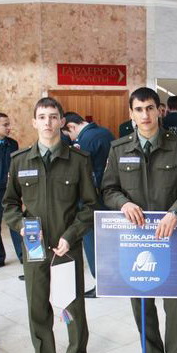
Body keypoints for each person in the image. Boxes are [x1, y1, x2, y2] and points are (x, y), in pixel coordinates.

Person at [101, 87, 177, 353]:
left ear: (160, 110)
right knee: (142, 302)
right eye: (138, 109)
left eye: (149, 108)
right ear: (131, 114)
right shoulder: (118, 149)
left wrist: (176, 211)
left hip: (172, 236)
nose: (145, 115)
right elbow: (108, 189)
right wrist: (123, 203)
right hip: (136, 240)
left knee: (176, 303)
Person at [2, 97, 98, 353]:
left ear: (61, 122)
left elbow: (90, 206)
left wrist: (71, 235)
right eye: (42, 117)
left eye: (53, 116)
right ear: (34, 122)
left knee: (72, 305)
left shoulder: (78, 160)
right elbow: (9, 205)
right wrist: (21, 226)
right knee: (37, 305)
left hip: (67, 245)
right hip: (34, 247)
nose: (48, 122)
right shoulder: (20, 160)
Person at [62, 112, 115, 297]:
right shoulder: (106, 132)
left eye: (69, 134)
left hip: (92, 199)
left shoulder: (83, 141)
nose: (71, 139)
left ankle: (101, 283)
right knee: (110, 242)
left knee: (92, 242)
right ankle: (113, 279)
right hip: (111, 196)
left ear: (71, 126)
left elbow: (79, 172)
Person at [0, 112, 24, 271]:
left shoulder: (12, 144)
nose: (9, 128)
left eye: (9, 124)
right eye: (5, 125)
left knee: (16, 222)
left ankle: (23, 255)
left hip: (11, 190)